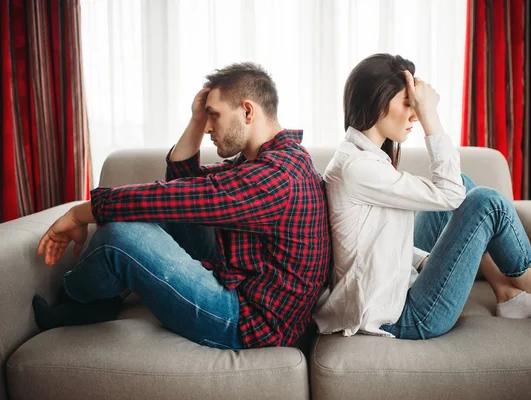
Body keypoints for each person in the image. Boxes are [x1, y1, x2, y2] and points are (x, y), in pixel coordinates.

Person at [34, 62, 331, 349]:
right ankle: (104, 295)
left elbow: (172, 198)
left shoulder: (274, 178)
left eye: (213, 116)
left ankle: (76, 299)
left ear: (247, 111)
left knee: (119, 237)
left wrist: (78, 213)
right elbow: (183, 184)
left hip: (248, 322)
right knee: (162, 214)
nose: (208, 128)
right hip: (243, 286)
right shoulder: (272, 160)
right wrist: (196, 119)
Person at [313, 53, 531, 340]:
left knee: (464, 184)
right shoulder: (358, 167)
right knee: (485, 203)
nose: (414, 114)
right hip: (403, 318)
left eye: (416, 106)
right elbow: (450, 194)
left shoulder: (360, 156)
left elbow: (370, 244)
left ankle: (507, 294)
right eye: (408, 104)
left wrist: (422, 259)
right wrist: (431, 116)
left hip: (395, 289)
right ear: (378, 103)